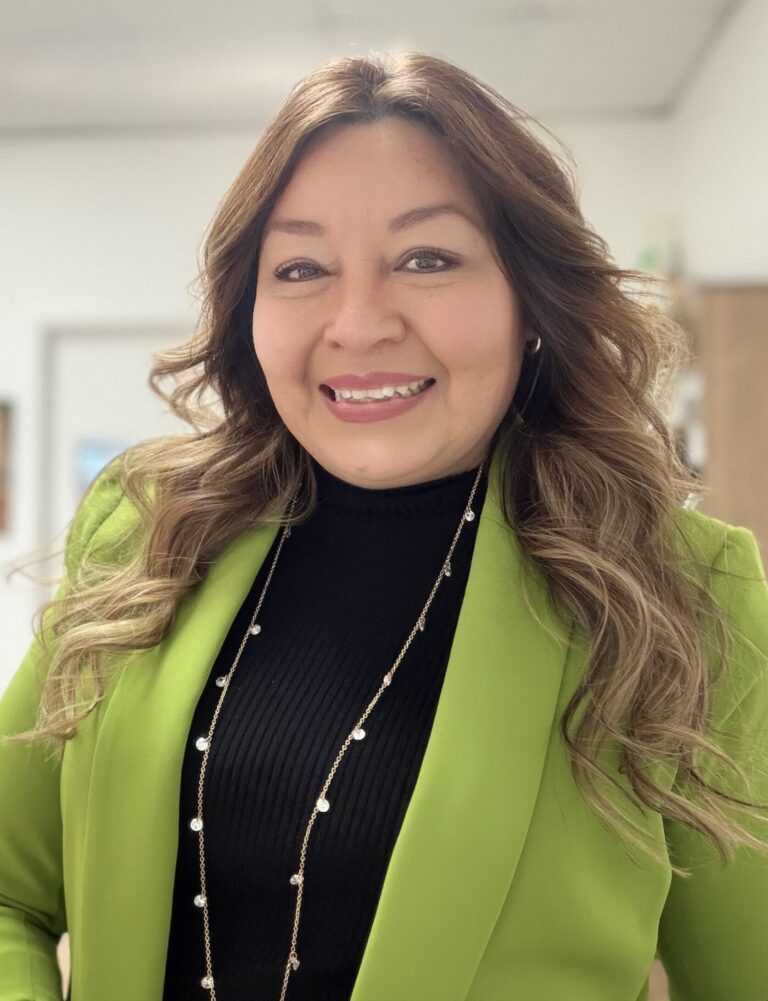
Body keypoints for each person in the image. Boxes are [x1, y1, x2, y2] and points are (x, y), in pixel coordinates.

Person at [1, 50, 767, 1001]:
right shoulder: (147, 527)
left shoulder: (682, 592)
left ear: (532, 298)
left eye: (427, 260)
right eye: (301, 268)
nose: (357, 323)